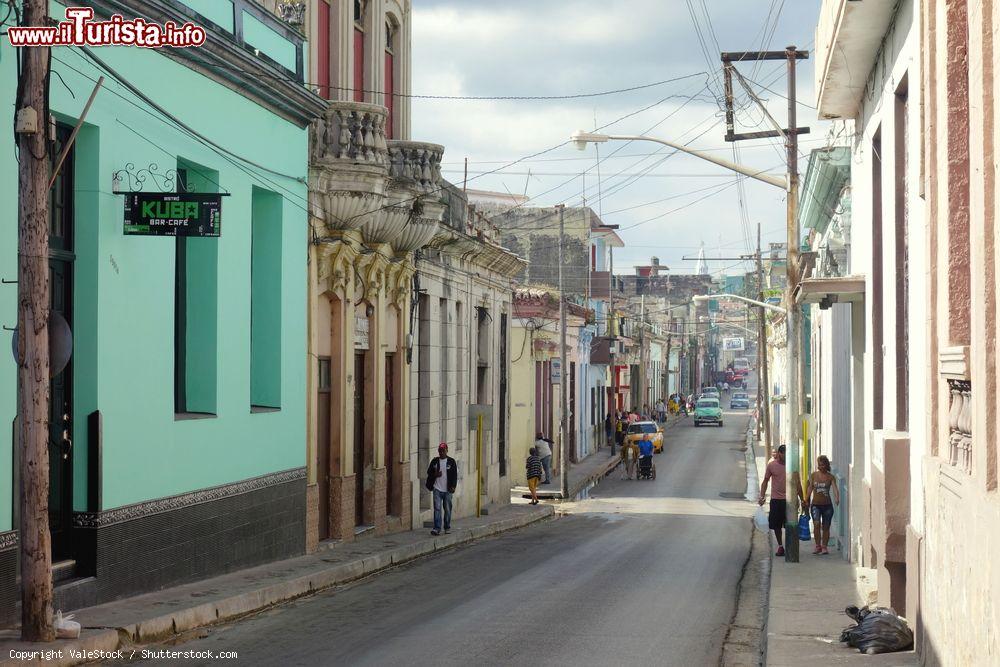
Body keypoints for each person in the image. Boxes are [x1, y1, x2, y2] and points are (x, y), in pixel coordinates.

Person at [804, 455, 841, 555]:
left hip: (827, 506)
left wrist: (837, 497)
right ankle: (817, 546)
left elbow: (835, 488)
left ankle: (824, 546)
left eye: (823, 465)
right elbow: (810, 488)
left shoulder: (830, 477)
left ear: (826, 465)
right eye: (819, 465)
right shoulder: (813, 475)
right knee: (816, 524)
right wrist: (806, 499)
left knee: (826, 526)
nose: (821, 467)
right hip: (815, 505)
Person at [759, 445, 788, 556]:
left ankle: (789, 545)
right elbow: (765, 481)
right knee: (776, 525)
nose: (785, 456)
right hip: (776, 500)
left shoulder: (791, 466)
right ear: (780, 454)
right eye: (784, 453)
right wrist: (761, 496)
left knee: (789, 524)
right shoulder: (771, 465)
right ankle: (780, 546)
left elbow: (797, 482)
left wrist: (802, 498)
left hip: (788, 500)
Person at [425, 442, 457, 536]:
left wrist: (453, 486)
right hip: (437, 489)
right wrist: (435, 475)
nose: (441, 452)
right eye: (440, 450)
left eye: (443, 450)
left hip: (447, 490)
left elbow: (455, 475)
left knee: (447, 509)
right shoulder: (435, 461)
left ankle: (447, 527)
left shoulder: (451, 462)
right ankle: (436, 528)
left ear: (447, 450)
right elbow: (429, 473)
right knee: (437, 508)